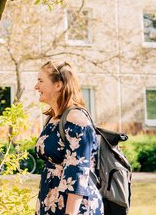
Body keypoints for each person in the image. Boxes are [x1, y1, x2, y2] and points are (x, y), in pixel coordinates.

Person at [34, 61, 103, 215]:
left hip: (75, 208)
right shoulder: (54, 118)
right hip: (52, 203)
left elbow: (78, 171)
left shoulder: (76, 118)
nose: (36, 87)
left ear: (58, 85)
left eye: (40, 81)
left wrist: (70, 213)